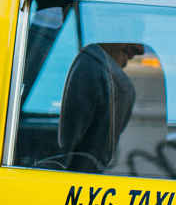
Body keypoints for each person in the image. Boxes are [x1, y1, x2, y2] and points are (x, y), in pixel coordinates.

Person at [59, 42, 144, 171]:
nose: (140, 50)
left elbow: (66, 146)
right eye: (135, 31)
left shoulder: (91, 65)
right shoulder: (121, 85)